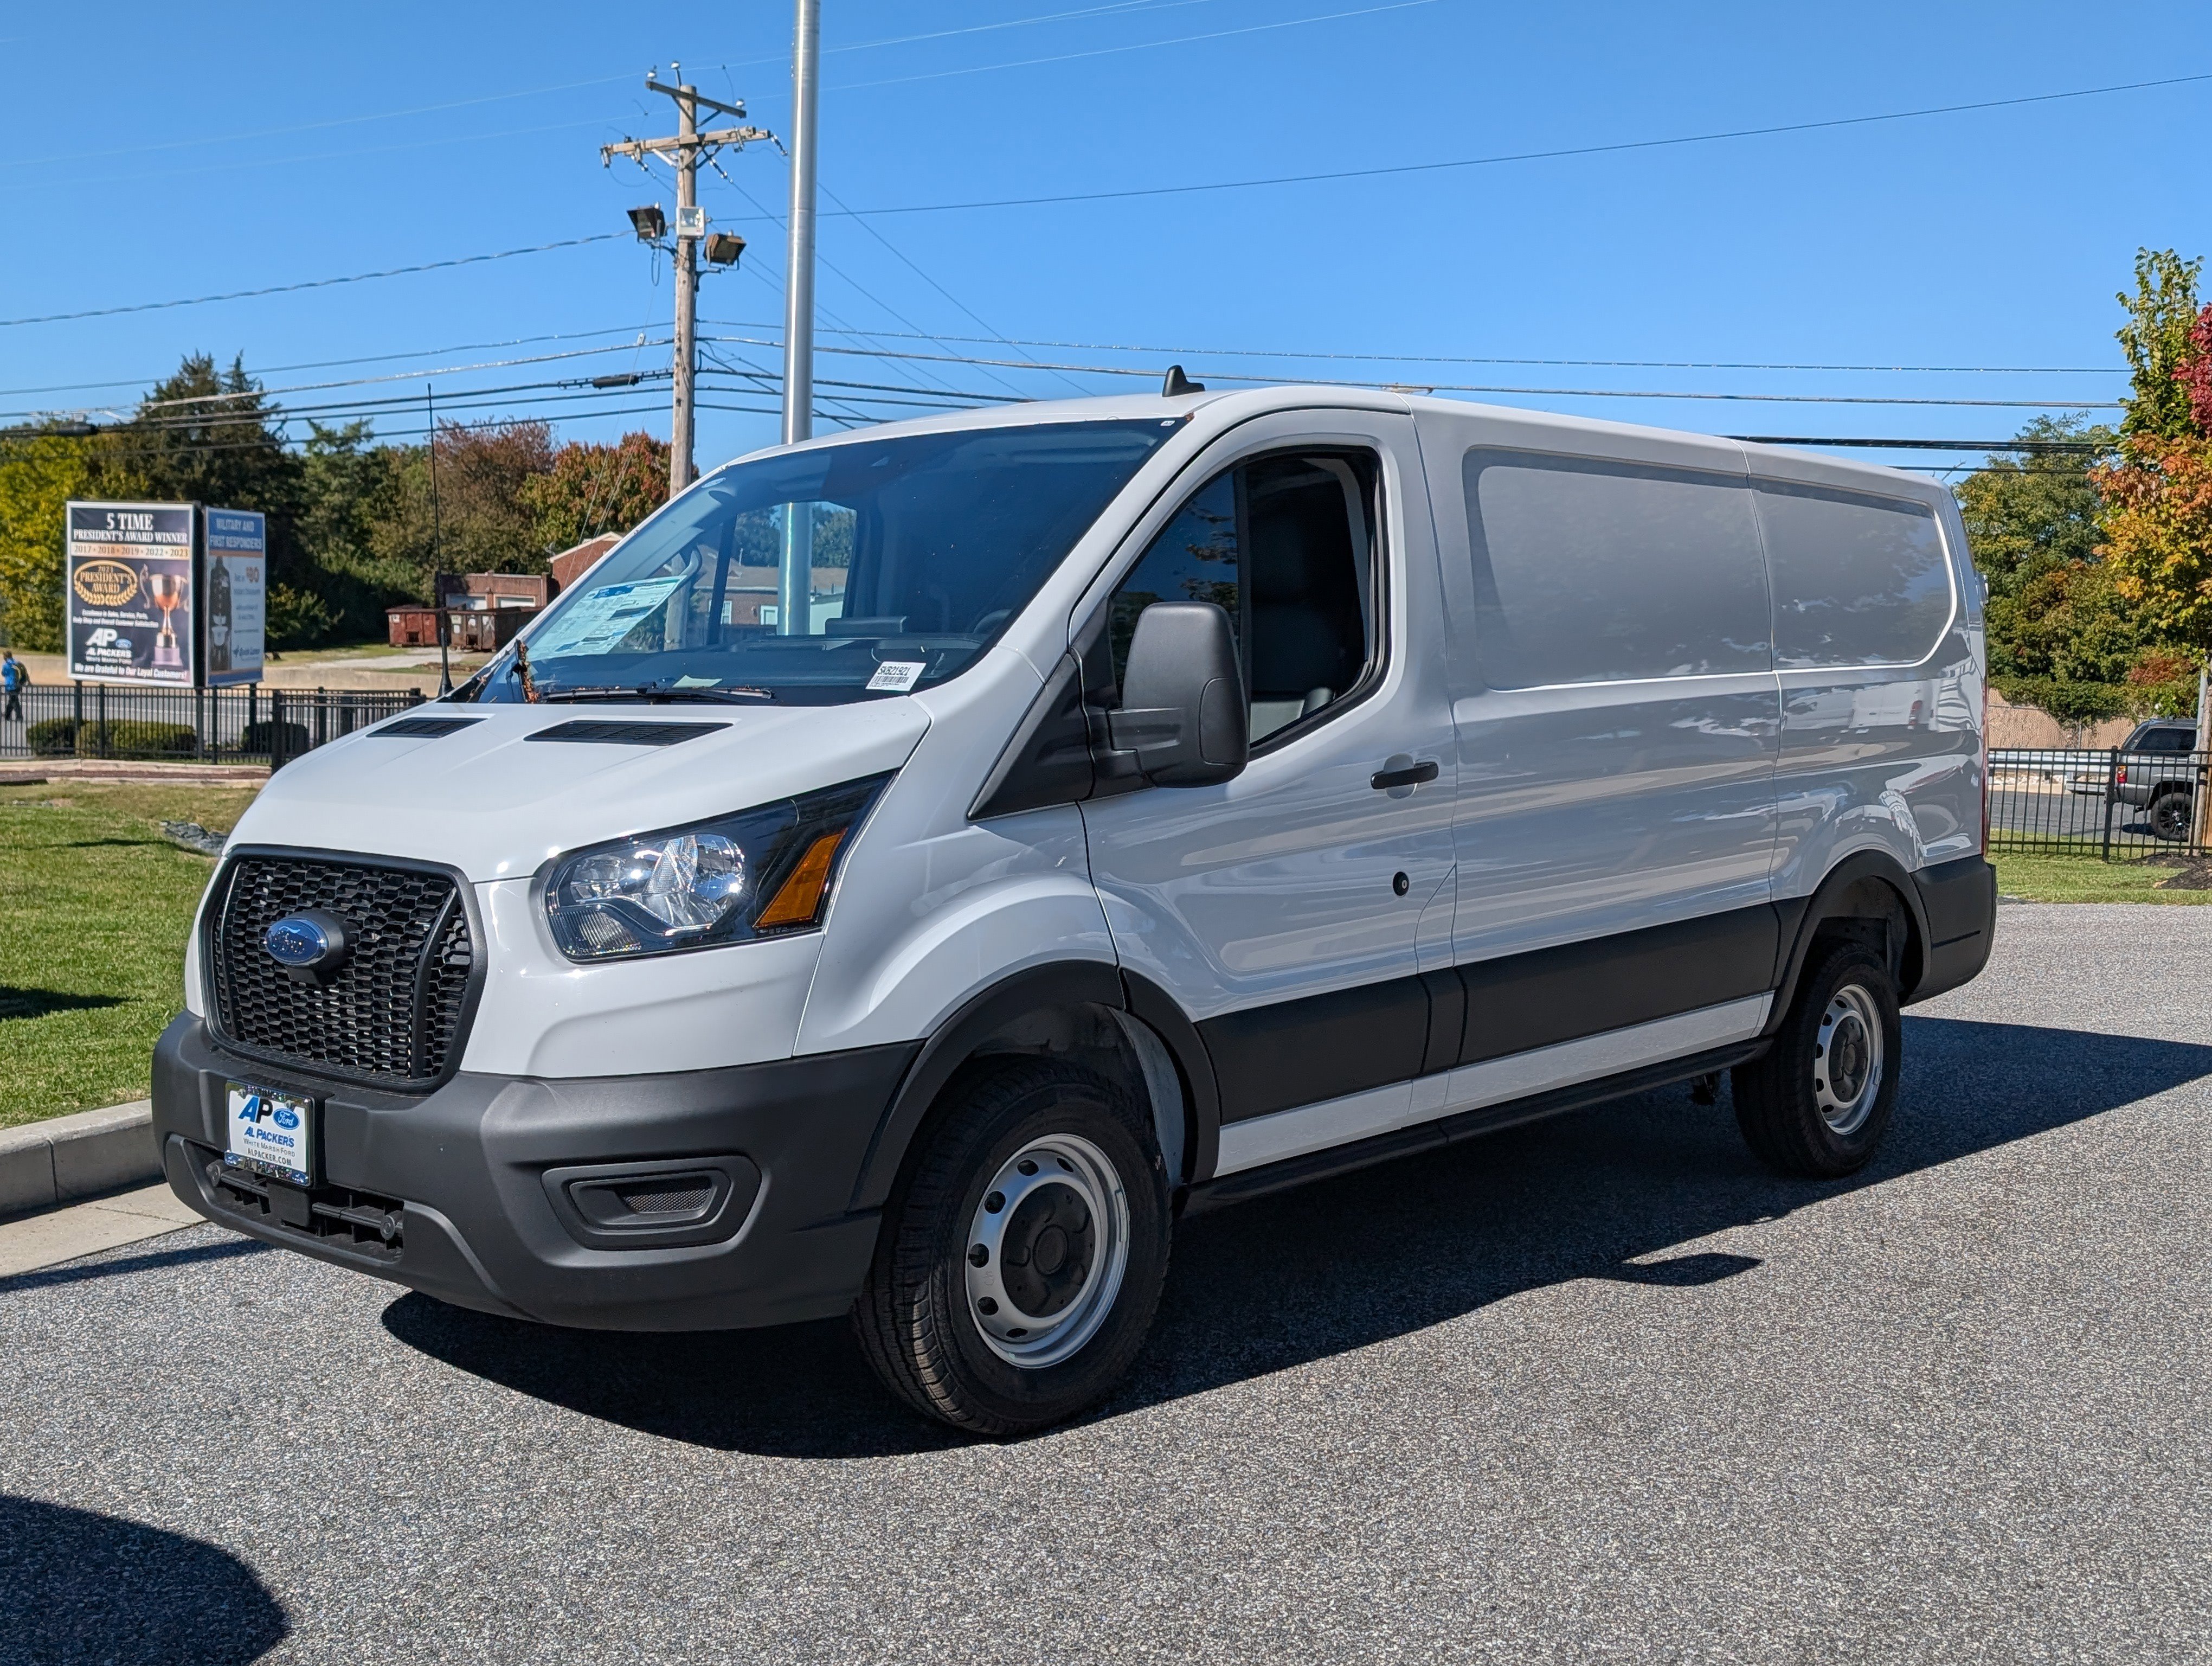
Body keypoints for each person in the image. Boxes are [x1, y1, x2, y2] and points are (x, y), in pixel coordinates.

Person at [1, 650, 24, 723]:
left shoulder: (6, 665)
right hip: (18, 685)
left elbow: (3, 674)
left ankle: (16, 716)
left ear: (5, 657)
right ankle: (8, 716)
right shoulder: (17, 663)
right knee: (13, 700)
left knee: (14, 701)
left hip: (10, 685)